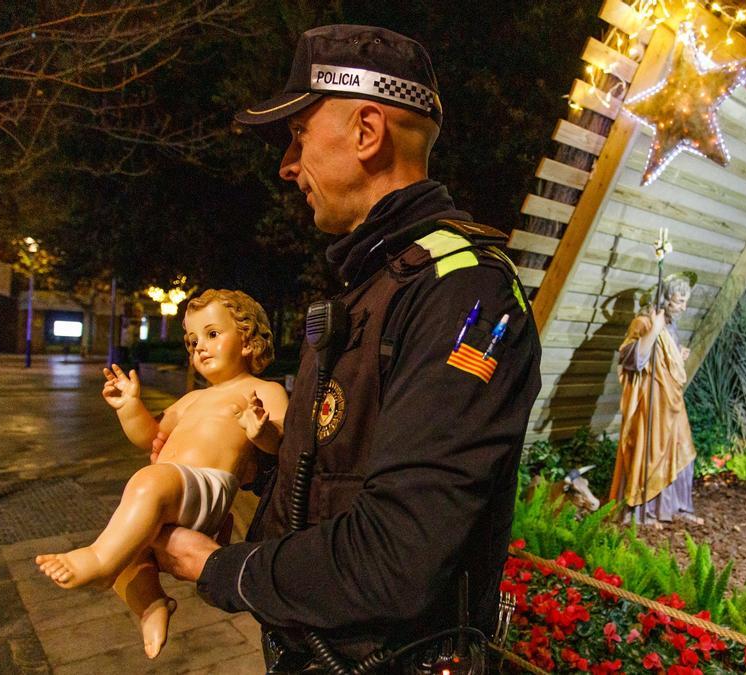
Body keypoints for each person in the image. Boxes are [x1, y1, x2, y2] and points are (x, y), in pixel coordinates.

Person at [150, 24, 541, 671]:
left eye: (298, 135)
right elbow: (347, 479)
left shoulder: (467, 293)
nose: (286, 164)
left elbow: (397, 555)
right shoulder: (379, 284)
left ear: (366, 131)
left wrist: (220, 567)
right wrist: (254, 467)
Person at [36, 289, 288, 658]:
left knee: (143, 487)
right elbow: (150, 437)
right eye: (192, 340)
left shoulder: (262, 390)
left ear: (249, 341)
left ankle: (99, 564)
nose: (199, 347)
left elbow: (283, 442)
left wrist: (261, 431)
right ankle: (152, 605)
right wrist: (129, 407)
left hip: (206, 486)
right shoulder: (191, 399)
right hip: (172, 488)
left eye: (212, 334)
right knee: (129, 548)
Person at [607, 275, 700, 526]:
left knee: (682, 450)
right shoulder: (643, 322)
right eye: (679, 301)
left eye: (684, 302)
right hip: (651, 400)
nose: (683, 307)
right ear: (664, 299)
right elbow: (631, 359)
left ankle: (677, 507)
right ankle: (644, 512)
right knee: (651, 453)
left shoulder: (669, 326)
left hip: (671, 400)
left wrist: (678, 354)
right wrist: (654, 330)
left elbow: (666, 360)